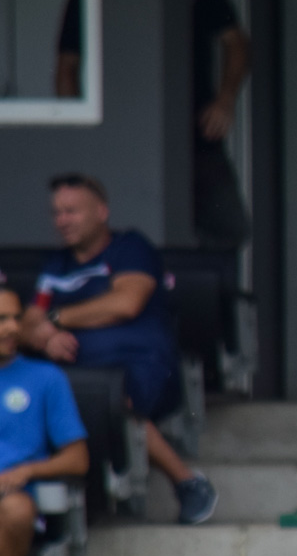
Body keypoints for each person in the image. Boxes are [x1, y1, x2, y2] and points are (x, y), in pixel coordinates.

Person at [21, 175, 217, 524]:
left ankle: (187, 482)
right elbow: (27, 323)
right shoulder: (56, 264)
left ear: (101, 212)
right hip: (72, 370)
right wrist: (46, 338)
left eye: (71, 211)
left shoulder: (130, 247)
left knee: (111, 398)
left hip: (141, 364)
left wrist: (56, 318)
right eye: (57, 213)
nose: (62, 220)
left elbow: (125, 303)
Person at [58, 0, 253, 248]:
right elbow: (66, 67)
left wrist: (225, 101)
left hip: (196, 132)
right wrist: (78, 134)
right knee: (127, 231)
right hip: (117, 139)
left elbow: (236, 42)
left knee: (227, 228)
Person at [0, 287, 90, 556]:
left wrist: (25, 471)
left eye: (16, 318)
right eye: (1, 320)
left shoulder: (46, 377)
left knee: (16, 511)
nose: (13, 328)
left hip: (14, 494)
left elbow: (77, 459)